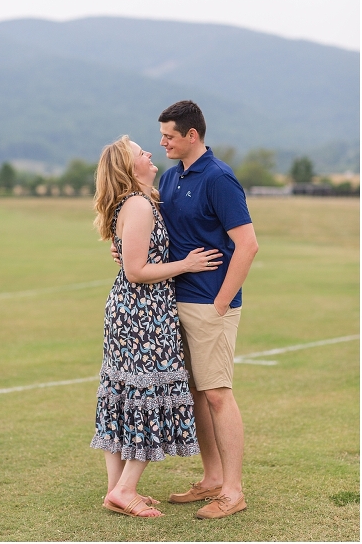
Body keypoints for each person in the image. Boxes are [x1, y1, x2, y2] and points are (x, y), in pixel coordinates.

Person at [92, 135, 222, 518]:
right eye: (140, 153)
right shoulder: (138, 204)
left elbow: (130, 256)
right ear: (129, 168)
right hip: (143, 315)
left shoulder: (139, 202)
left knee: (124, 396)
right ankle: (126, 489)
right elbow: (136, 270)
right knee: (150, 395)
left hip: (132, 311)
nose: (150, 153)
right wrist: (187, 264)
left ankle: (115, 491)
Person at [156, 100, 258, 519]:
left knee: (217, 393)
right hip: (174, 299)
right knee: (197, 393)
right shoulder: (168, 176)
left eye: (169, 136)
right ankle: (212, 479)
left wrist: (221, 302)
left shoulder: (219, 177)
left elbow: (248, 244)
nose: (162, 142)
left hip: (209, 304)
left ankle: (233, 491)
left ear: (191, 135)